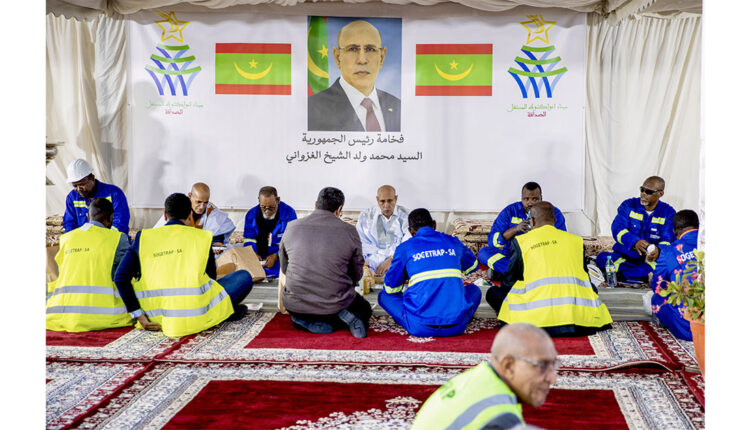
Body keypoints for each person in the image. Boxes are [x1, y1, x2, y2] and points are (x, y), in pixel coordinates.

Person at [114, 193, 254, 338]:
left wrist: (139, 316)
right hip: (196, 314)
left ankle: (225, 312)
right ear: (190, 216)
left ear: (165, 215)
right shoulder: (203, 238)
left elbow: (120, 278)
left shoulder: (143, 237)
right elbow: (211, 280)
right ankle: (223, 313)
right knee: (244, 277)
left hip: (153, 316)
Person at [493, 202, 613, 336]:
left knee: (493, 293)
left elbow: (510, 280)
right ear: (555, 220)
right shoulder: (576, 241)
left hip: (536, 323)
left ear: (532, 221)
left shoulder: (522, 242)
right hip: (581, 323)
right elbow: (585, 278)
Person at [412, 323, 558, 429]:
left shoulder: (479, 377)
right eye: (542, 366)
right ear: (508, 365)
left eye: (554, 365)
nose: (552, 378)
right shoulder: (498, 415)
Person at [279, 187, 371, 338]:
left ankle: (303, 321)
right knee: (365, 309)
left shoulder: (291, 227)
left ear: (316, 205)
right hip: (334, 303)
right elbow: (357, 274)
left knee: (297, 310)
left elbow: (284, 268)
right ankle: (340, 318)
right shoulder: (349, 231)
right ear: (339, 209)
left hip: (296, 303)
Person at [379, 208, 480, 337]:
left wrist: (406, 273)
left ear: (411, 231)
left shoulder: (404, 248)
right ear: (434, 224)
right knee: (474, 290)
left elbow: (391, 288)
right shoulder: (453, 241)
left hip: (420, 326)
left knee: (384, 295)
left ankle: (408, 317)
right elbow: (473, 266)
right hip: (457, 326)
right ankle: (460, 315)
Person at [46, 198, 133, 332]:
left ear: (88, 216)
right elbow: (126, 274)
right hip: (106, 315)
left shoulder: (66, 239)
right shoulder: (117, 239)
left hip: (62, 314)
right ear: (111, 217)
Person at [308, 20, 401, 132]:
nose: (362, 60)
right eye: (352, 49)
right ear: (338, 57)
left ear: (382, 57)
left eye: (370, 49)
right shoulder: (311, 109)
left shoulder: (398, 107)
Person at [595, 176, 676, 282]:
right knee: (601, 258)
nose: (643, 194)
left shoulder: (668, 213)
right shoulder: (628, 205)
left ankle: (622, 275)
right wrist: (634, 242)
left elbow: (668, 240)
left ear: (660, 194)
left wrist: (658, 250)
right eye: (642, 189)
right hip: (626, 255)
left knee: (662, 266)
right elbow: (618, 229)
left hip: (651, 260)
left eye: (649, 192)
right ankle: (635, 275)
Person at [478, 182, 566, 277]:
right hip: (512, 255)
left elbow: (561, 240)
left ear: (541, 198)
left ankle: (509, 273)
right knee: (484, 253)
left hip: (540, 255)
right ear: (521, 198)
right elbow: (493, 242)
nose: (530, 203)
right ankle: (517, 271)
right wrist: (516, 229)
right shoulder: (510, 211)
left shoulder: (552, 212)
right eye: (526, 199)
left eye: (535, 199)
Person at [650, 210, 700, 340]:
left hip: (688, 327)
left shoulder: (669, 251)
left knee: (657, 299)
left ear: (675, 231)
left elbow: (658, 285)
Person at [153, 182, 236, 245]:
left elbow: (217, 232)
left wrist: (217, 242)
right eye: (198, 202)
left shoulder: (212, 211)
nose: (202, 207)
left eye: (205, 202)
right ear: (190, 195)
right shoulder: (177, 207)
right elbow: (160, 232)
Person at [63, 158, 130, 234]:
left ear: (92, 178)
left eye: (82, 184)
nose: (79, 189)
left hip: (112, 241)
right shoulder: (72, 197)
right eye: (75, 186)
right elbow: (70, 224)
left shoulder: (114, 193)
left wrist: (104, 240)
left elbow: (120, 223)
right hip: (85, 243)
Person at [242, 186, 298, 278]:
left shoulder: (289, 213)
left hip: (280, 257)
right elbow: (248, 239)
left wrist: (276, 256)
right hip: (258, 257)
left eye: (271, 207)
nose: (267, 211)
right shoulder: (251, 214)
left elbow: (292, 242)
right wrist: (253, 254)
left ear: (278, 200)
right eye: (263, 207)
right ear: (259, 201)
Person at [356, 185, 410, 277]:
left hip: (397, 262)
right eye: (382, 201)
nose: (386, 206)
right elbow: (362, 243)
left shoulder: (406, 216)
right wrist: (378, 262)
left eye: (390, 201)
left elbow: (408, 243)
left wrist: (391, 259)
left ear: (396, 199)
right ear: (377, 200)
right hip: (373, 264)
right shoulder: (366, 216)